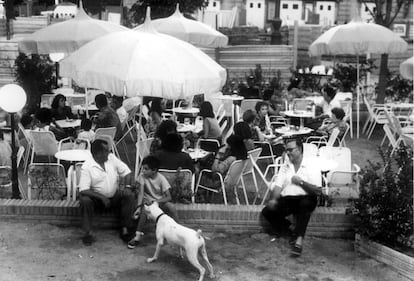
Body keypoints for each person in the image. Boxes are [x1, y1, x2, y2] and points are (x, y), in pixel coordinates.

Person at [261, 138, 322, 257]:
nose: (288, 153)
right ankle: (292, 230)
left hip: (307, 198)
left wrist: (301, 182)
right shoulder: (286, 165)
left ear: (299, 150)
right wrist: (273, 199)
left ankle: (299, 239)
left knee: (305, 206)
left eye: (290, 150)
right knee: (267, 212)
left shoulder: (311, 164)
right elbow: (278, 185)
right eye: (286, 150)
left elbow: (318, 191)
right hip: (290, 199)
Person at [78, 139, 138, 247]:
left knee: (129, 195)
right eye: (106, 151)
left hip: (114, 197)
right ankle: (87, 233)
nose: (109, 152)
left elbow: (127, 172)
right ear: (97, 153)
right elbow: (83, 189)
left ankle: (125, 228)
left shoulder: (111, 158)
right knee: (85, 200)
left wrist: (127, 187)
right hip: (96, 201)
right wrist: (101, 197)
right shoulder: (87, 166)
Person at [132, 155, 178, 245]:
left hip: (158, 202)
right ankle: (137, 235)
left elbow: (169, 197)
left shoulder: (161, 179)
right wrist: (138, 207)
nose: (143, 171)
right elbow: (141, 193)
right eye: (143, 168)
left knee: (171, 207)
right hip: (147, 202)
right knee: (144, 211)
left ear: (154, 170)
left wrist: (156, 202)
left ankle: (178, 230)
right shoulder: (142, 177)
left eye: (146, 169)